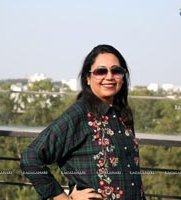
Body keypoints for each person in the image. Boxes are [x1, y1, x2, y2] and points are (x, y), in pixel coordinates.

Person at [20, 44, 146, 200]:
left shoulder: (122, 114)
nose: (109, 76)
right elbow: (30, 157)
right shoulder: (79, 114)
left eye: (116, 71)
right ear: (87, 78)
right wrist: (61, 198)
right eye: (101, 71)